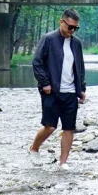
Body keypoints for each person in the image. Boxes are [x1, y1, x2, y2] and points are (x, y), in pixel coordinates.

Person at [30, 10, 86, 168]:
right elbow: (37, 62)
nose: (72, 30)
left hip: (70, 92)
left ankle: (63, 163)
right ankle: (34, 149)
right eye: (70, 27)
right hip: (51, 91)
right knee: (50, 126)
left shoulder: (76, 43)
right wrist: (45, 83)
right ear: (61, 22)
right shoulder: (48, 39)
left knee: (69, 128)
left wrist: (81, 88)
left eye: (76, 28)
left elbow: (80, 67)